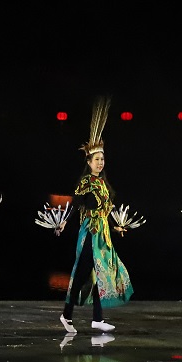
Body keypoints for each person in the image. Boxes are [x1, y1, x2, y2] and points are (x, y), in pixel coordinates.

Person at [58, 97, 133, 335]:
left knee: (103, 274)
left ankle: (97, 318)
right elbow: (75, 205)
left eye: (102, 159)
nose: (100, 163)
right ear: (89, 162)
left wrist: (115, 226)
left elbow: (105, 211)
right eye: (96, 160)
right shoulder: (86, 182)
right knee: (83, 275)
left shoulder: (103, 184)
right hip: (90, 232)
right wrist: (63, 222)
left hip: (103, 233)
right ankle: (67, 314)